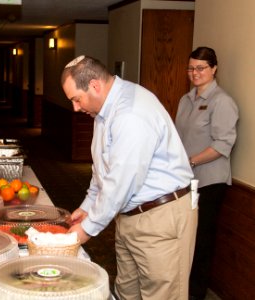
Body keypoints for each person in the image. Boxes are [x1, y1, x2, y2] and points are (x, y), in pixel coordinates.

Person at [61, 55, 197, 300]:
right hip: (129, 217)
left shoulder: (131, 113)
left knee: (161, 295)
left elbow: (121, 182)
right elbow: (103, 169)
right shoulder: (103, 111)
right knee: (127, 292)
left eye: (76, 99)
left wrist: (86, 230)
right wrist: (87, 207)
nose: (76, 107)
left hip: (160, 219)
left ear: (94, 86)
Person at [175, 47, 239, 300]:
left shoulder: (222, 101)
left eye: (201, 68)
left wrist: (190, 161)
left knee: (201, 241)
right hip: (186, 181)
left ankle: (195, 294)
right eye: (191, 68)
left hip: (209, 182)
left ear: (214, 69)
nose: (195, 73)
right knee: (184, 237)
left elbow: (223, 144)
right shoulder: (185, 99)